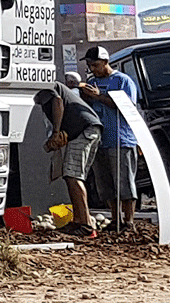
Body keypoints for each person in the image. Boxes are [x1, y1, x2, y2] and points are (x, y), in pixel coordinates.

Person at [79, 46, 139, 231]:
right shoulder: (91, 81)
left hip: (121, 138)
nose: (93, 69)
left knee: (124, 182)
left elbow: (127, 106)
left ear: (106, 62)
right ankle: (115, 219)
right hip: (99, 140)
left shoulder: (122, 81)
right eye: (89, 65)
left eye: (96, 65)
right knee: (105, 183)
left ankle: (128, 221)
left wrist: (100, 96)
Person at [34, 82, 102, 238]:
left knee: (73, 176)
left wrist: (56, 132)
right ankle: (78, 221)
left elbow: (58, 102)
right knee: (71, 175)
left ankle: (85, 225)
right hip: (85, 129)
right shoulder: (48, 89)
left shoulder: (44, 84)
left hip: (83, 129)